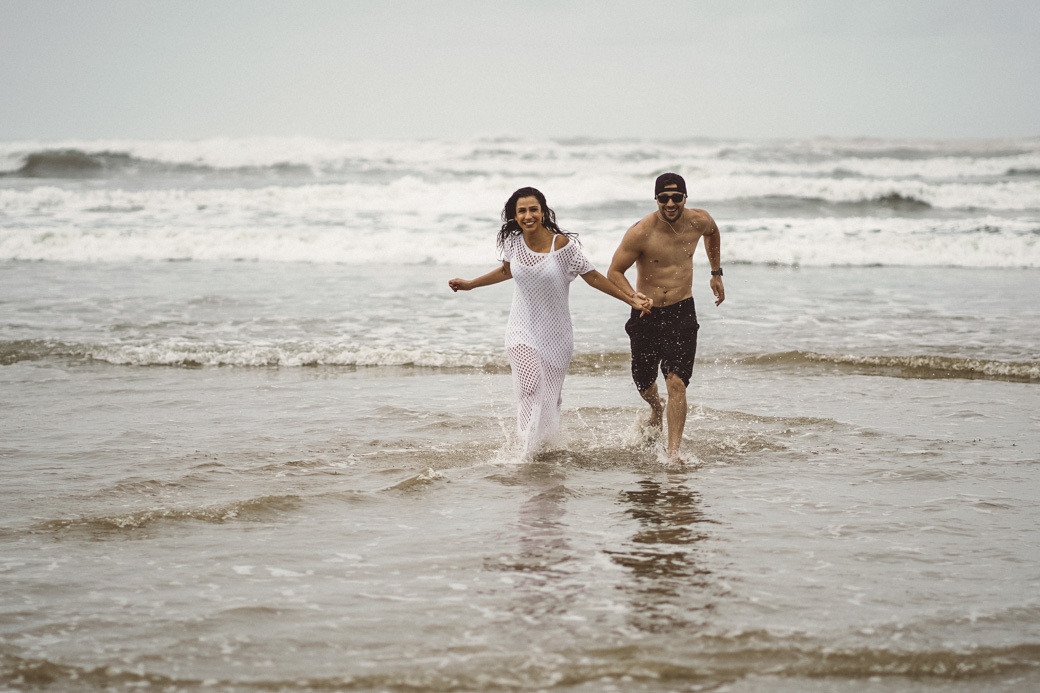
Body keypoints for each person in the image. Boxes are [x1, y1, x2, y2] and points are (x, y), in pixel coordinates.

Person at [449, 187, 652, 456]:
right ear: (514, 215)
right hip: (521, 328)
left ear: (543, 211)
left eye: (533, 209)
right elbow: (506, 271)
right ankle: (524, 449)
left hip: (556, 335)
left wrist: (630, 299)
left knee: (548, 398)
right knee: (530, 384)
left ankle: (541, 448)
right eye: (522, 210)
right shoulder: (513, 243)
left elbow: (593, 277)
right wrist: (471, 284)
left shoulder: (563, 247)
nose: (528, 215)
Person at [607, 173, 725, 462]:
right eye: (663, 198)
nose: (670, 204)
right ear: (656, 199)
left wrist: (715, 272)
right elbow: (614, 272)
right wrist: (632, 297)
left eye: (676, 197)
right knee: (644, 382)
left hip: (682, 310)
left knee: (676, 381)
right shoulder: (641, 232)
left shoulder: (699, 221)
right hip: (646, 313)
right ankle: (655, 409)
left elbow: (713, 233)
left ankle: (673, 452)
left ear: (685, 197)